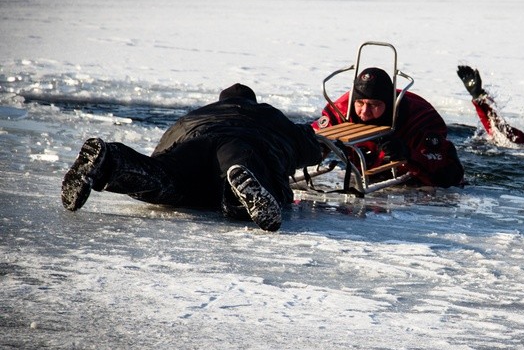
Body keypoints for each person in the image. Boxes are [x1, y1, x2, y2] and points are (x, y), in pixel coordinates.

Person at [61, 83, 324, 231]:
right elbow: (309, 146)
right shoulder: (270, 114)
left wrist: (162, 162)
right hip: (242, 145)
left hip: (194, 140)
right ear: (252, 101)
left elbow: (165, 144)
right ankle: (238, 188)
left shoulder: (197, 113)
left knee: (162, 178)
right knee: (249, 176)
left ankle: (111, 161)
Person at [313, 67, 464, 187]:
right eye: (360, 104)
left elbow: (451, 173)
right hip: (361, 174)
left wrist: (408, 154)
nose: (364, 112)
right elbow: (313, 137)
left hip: (409, 187)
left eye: (374, 105)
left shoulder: (420, 117)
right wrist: (316, 148)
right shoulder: (340, 109)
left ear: (389, 104)